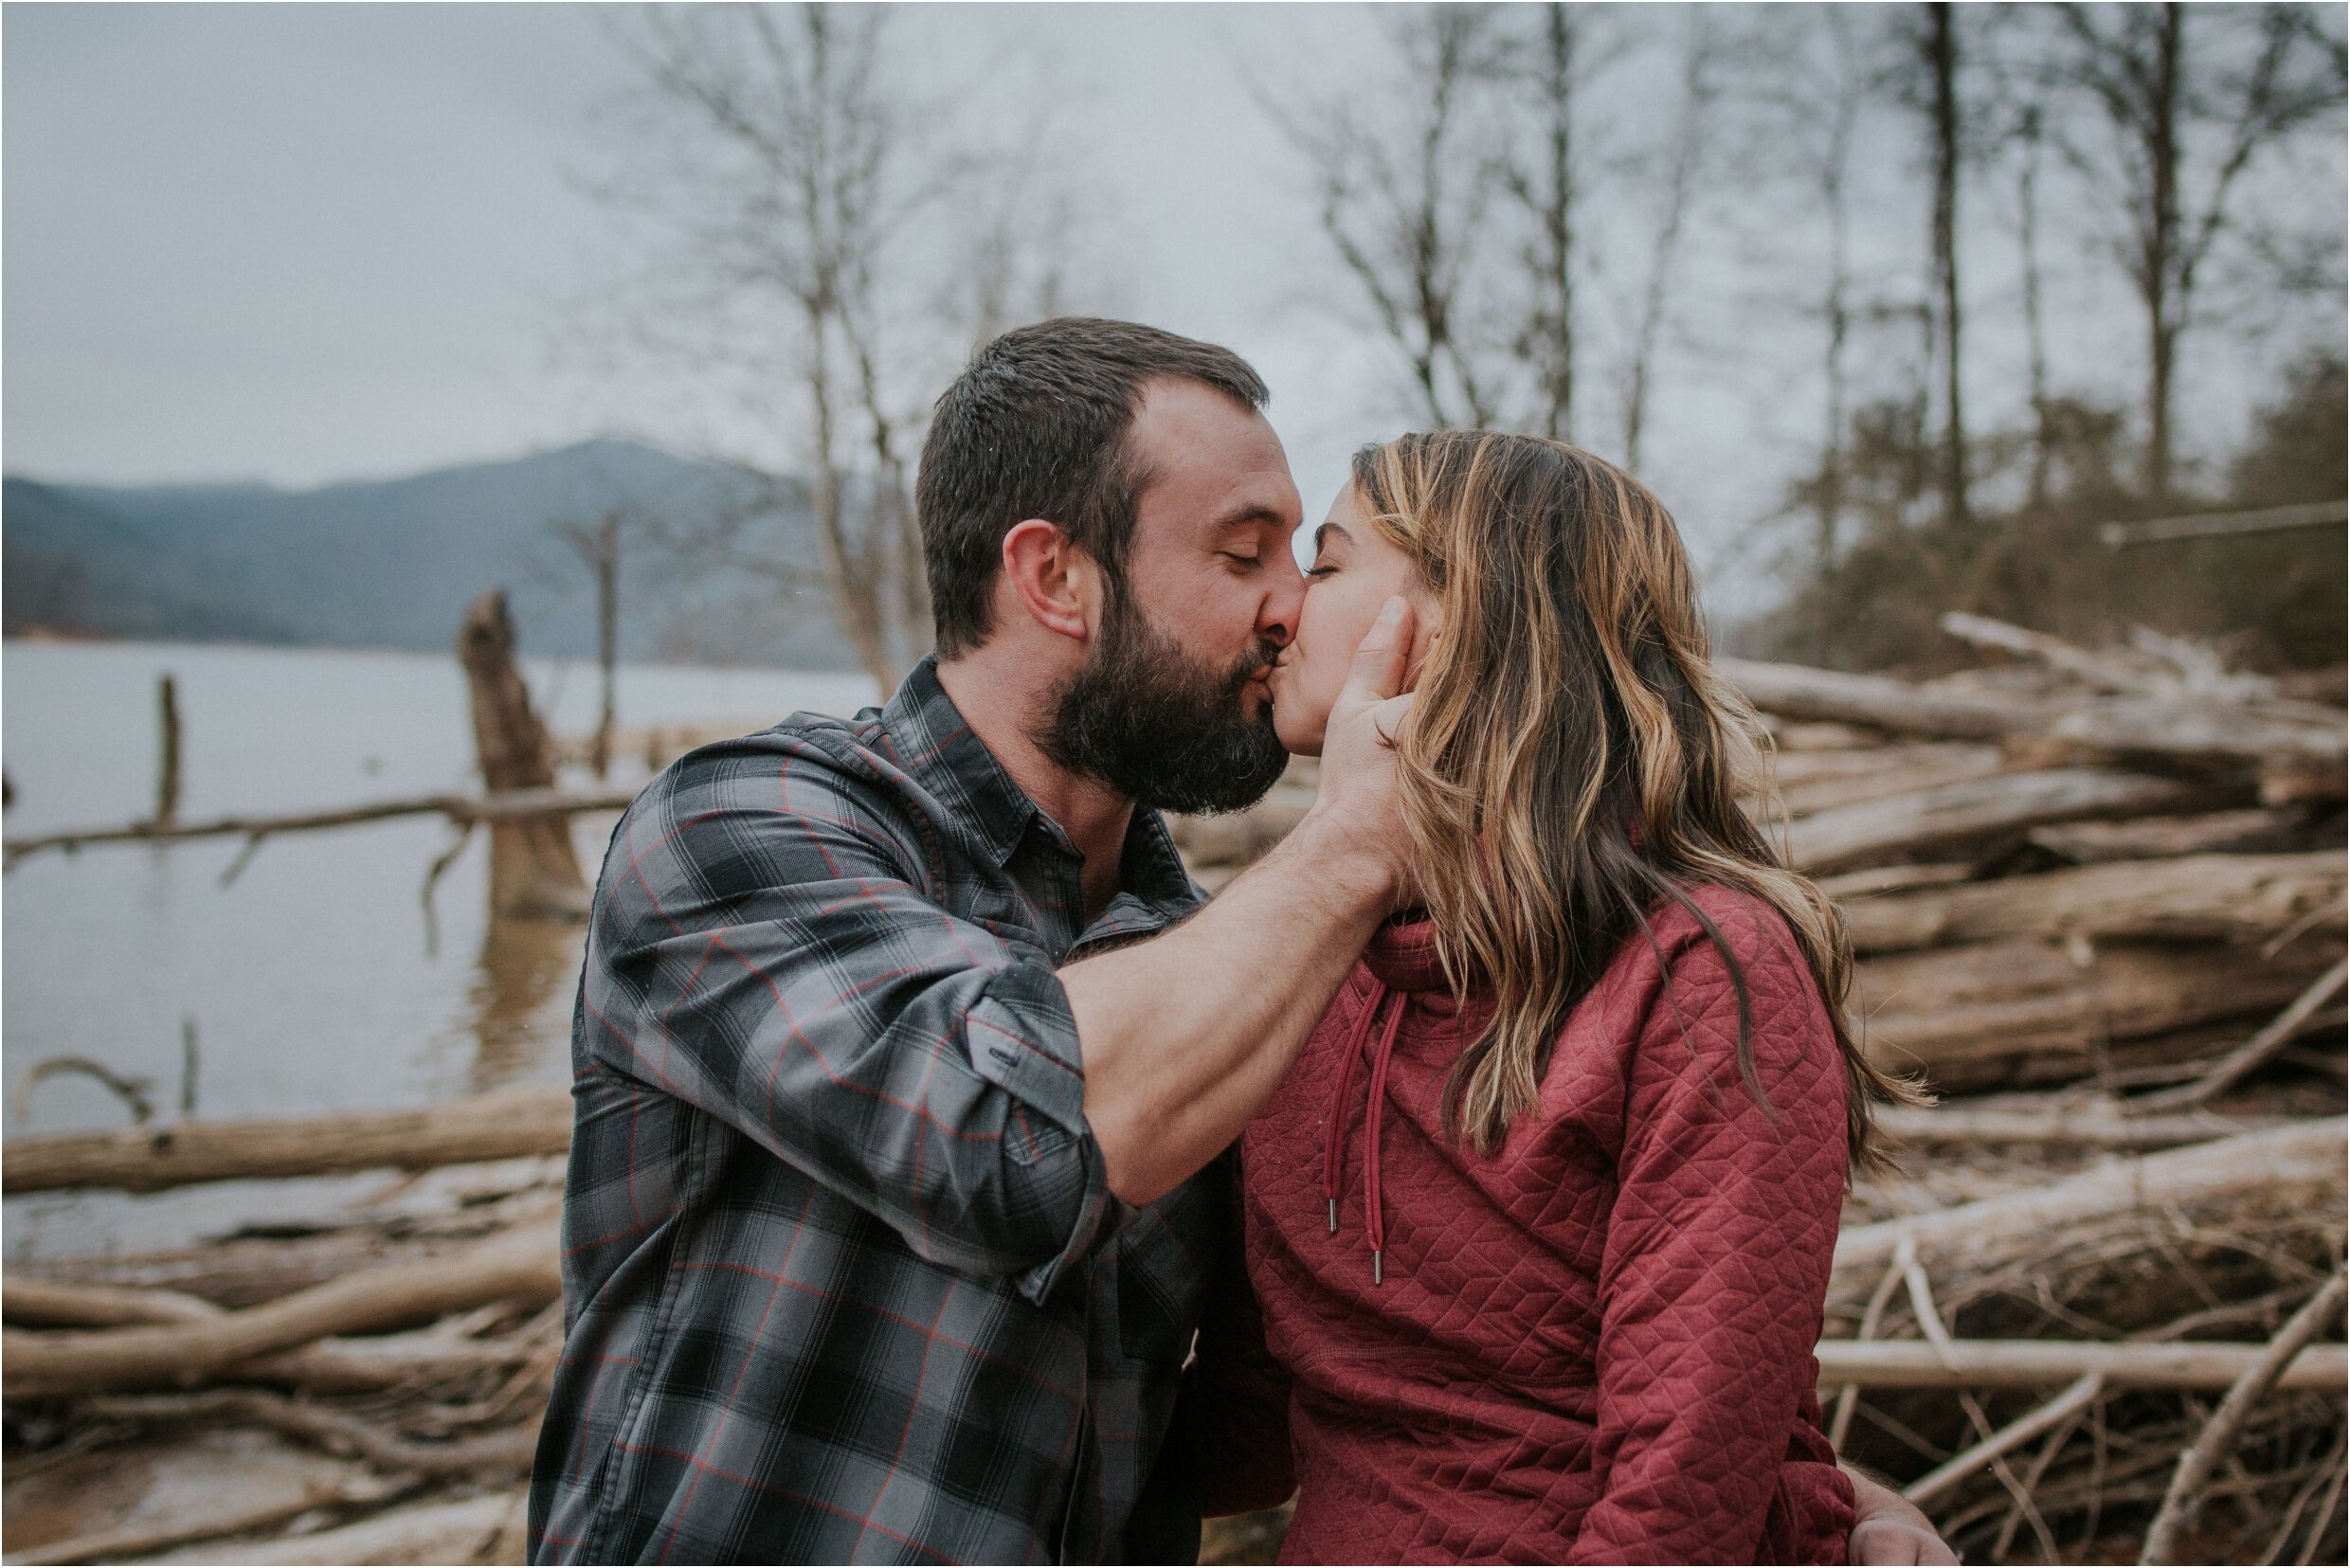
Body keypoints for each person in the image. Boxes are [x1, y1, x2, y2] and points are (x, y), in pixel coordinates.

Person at [528, 316, 1955, 1564]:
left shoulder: (1222, 953)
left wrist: (1818, 1495)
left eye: (1310, 556)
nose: (1286, 605)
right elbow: (1016, 1138)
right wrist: (1356, 844)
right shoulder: (744, 832)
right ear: (1057, 578)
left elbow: (1514, 1361)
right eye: (1246, 551)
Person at [1185, 430, 1933, 1563]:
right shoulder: (1308, 961)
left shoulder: (1703, 974)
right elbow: (1254, 1412)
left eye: (1327, 565)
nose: (1283, 607)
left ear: (1454, 624)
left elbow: (1677, 1498)